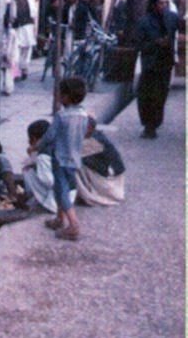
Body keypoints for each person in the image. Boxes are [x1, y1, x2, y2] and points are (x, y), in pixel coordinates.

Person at [38, 76, 89, 241]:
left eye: (60, 93)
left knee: (61, 192)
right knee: (62, 188)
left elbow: (49, 137)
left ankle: (73, 225)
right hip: (74, 158)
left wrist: (36, 146)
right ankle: (60, 219)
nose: (58, 96)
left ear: (67, 96)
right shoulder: (83, 114)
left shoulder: (61, 116)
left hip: (60, 158)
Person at [137, 0, 178, 139]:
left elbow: (181, 27)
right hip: (150, 64)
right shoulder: (144, 22)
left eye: (165, 3)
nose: (163, 6)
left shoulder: (171, 17)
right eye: (160, 3)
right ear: (153, 5)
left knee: (160, 96)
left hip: (165, 64)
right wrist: (156, 43)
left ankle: (154, 124)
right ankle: (148, 125)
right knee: (146, 96)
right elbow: (139, 44)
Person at [21, 119, 76, 214]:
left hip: (58, 200)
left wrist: (34, 164)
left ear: (33, 139)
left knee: (27, 170)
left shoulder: (42, 155)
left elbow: (49, 181)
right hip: (71, 193)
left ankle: (37, 198)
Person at [76, 116, 126, 206]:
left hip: (110, 174)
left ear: (90, 129)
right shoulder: (95, 135)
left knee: (76, 163)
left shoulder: (94, 140)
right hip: (109, 170)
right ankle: (85, 192)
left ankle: (88, 194)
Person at [4, 0, 37, 85]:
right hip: (28, 29)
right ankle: (24, 70)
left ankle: (16, 73)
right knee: (26, 52)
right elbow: (34, 15)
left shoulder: (12, 0)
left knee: (15, 52)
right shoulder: (29, 0)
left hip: (18, 30)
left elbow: (12, 17)